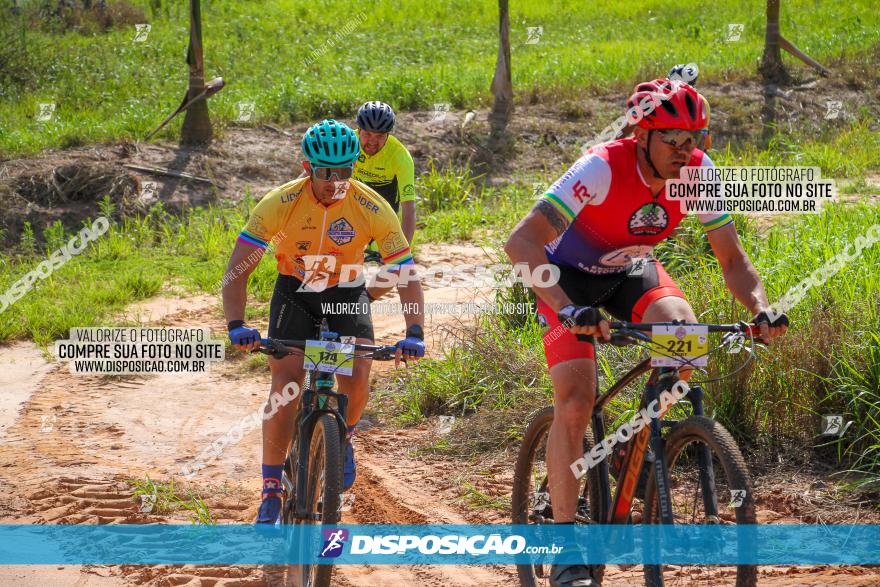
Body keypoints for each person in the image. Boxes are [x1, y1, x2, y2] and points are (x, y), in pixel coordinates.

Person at [504, 80, 788, 587]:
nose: (685, 151)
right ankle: (567, 546)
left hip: (631, 272)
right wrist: (569, 310)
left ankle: (632, 444)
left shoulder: (698, 173)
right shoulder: (601, 167)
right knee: (575, 399)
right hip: (566, 280)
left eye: (693, 138)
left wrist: (763, 309)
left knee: (686, 335)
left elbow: (732, 259)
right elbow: (521, 242)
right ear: (640, 133)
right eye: (672, 139)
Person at [222, 119, 426, 524]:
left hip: (346, 294)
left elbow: (405, 272)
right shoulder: (280, 202)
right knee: (287, 386)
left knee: (358, 373)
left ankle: (343, 438)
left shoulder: (370, 206)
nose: (335, 182)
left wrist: (415, 333)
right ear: (306, 167)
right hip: (295, 292)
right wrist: (236, 325)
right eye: (325, 173)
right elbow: (238, 270)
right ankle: (271, 490)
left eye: (345, 171)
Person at [353, 101, 417, 263]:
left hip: (383, 204)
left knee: (394, 264)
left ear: (388, 134)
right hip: (353, 196)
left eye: (380, 136)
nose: (372, 142)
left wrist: (402, 253)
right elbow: (313, 168)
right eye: (367, 134)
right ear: (358, 130)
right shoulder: (347, 141)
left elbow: (409, 210)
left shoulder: (400, 157)